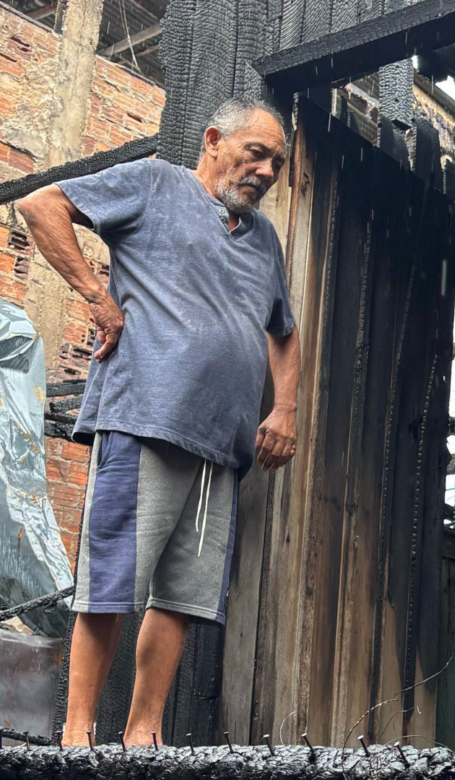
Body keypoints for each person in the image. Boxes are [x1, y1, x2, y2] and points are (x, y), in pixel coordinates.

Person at [16, 96, 301, 748]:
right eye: (256, 154)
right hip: (144, 418)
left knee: (182, 597)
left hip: (223, 443)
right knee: (112, 583)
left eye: (278, 164)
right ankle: (78, 736)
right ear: (213, 140)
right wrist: (97, 297)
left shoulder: (263, 238)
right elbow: (40, 205)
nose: (266, 171)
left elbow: (283, 332)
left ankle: (144, 735)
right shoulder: (153, 184)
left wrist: (284, 407)